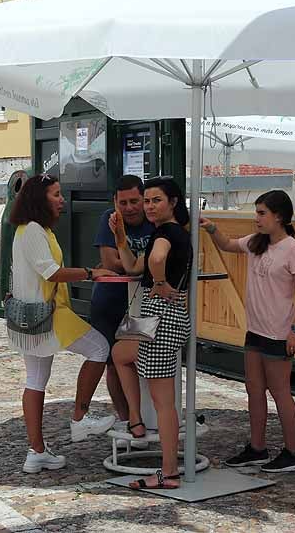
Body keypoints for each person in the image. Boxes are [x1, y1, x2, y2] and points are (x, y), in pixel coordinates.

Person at [8, 173, 117, 474]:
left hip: (33, 316)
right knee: (100, 348)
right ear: (39, 199)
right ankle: (80, 419)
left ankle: (37, 452)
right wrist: (91, 273)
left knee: (35, 380)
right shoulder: (33, 231)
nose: (61, 200)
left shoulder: (30, 229)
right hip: (49, 314)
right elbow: (52, 272)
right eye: (56, 194)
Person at [200, 189, 295, 473]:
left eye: (262, 213)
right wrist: (211, 228)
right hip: (255, 329)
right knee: (254, 390)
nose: (257, 218)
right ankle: (258, 447)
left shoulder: (292, 249)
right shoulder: (255, 243)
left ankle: (293, 452)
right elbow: (227, 244)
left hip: (278, 332)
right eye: (257, 212)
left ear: (280, 217)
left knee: (280, 392)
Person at [110, 176, 192, 490]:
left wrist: (158, 283)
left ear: (172, 202)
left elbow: (156, 259)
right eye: (147, 200)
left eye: (156, 200)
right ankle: (135, 418)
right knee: (120, 353)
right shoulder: (168, 233)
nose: (149, 206)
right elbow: (133, 266)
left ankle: (168, 472)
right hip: (157, 318)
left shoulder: (167, 233)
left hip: (161, 317)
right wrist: (120, 236)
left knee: (164, 402)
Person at [90, 175, 154, 429]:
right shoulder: (109, 219)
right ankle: (127, 419)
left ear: (144, 199)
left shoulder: (154, 218)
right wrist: (143, 264)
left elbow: (125, 265)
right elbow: (109, 263)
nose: (129, 208)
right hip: (110, 303)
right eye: (123, 202)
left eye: (134, 201)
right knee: (113, 365)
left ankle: (147, 417)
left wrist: (130, 263)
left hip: (144, 304)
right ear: (115, 202)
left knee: (143, 360)